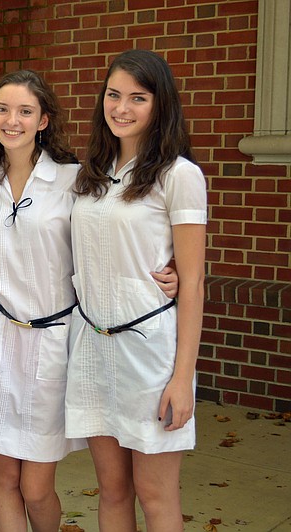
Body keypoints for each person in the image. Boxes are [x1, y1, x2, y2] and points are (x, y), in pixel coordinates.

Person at [0, 70, 178, 532]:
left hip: (56, 343)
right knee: (4, 477)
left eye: (26, 111)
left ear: (44, 120)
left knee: (37, 486)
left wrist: (175, 269)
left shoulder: (78, 180)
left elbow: (118, 234)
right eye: (2, 109)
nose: (12, 120)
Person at [65, 49, 207, 531]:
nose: (121, 108)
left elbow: (193, 283)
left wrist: (182, 377)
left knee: (155, 494)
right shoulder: (91, 174)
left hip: (149, 356)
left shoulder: (178, 175)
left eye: (137, 98)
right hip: (92, 348)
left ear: (160, 104)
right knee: (113, 490)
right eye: (113, 95)